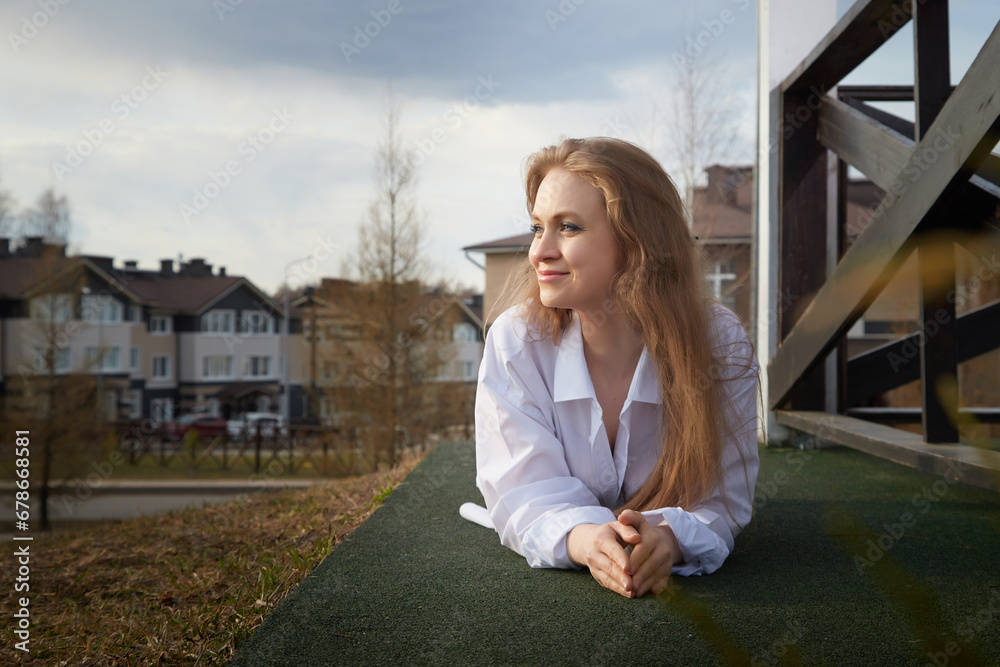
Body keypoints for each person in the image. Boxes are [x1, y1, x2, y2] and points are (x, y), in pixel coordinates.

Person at [471, 137, 760, 599]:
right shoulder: (516, 342)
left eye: (568, 227)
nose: (539, 252)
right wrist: (585, 539)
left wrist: (669, 539)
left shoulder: (718, 342)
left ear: (636, 242)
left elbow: (724, 500)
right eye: (537, 228)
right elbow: (521, 491)